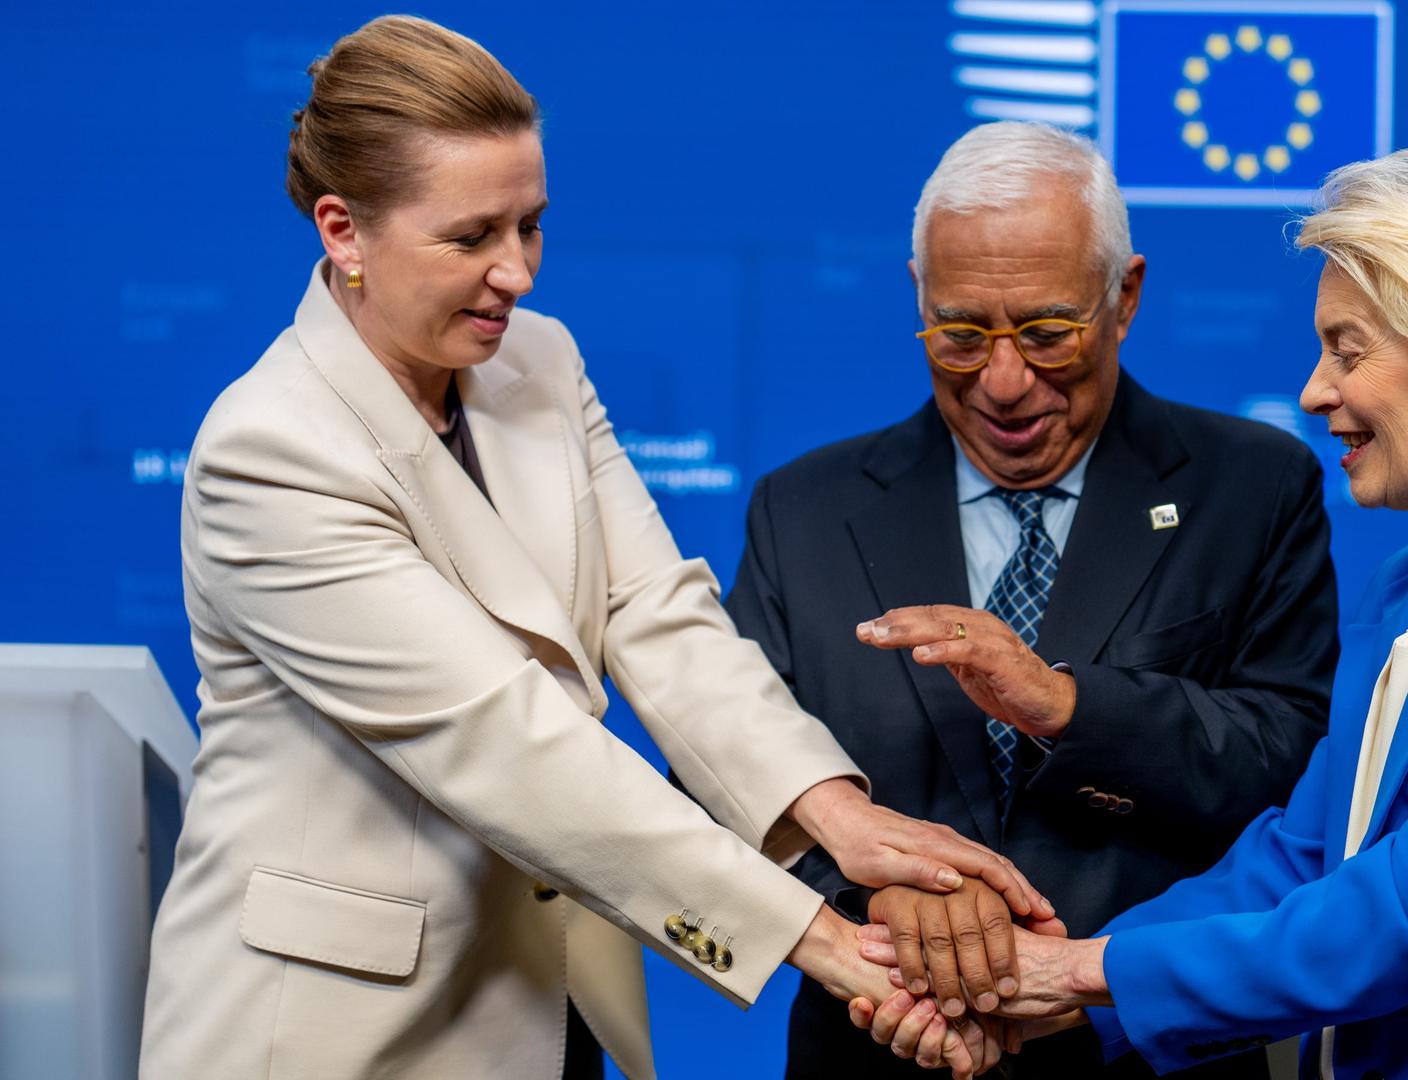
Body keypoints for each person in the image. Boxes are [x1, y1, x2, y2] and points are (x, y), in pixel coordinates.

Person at [139, 17, 1040, 1080]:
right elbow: (510, 747)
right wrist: (828, 944)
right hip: (336, 1032)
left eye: (532, 226)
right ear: (343, 231)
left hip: (548, 994)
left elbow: (658, 616)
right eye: (471, 237)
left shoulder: (540, 362)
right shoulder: (272, 450)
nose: (515, 273)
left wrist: (839, 818)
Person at [857, 147, 1408, 1078]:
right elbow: (1295, 860)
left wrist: (1069, 972)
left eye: (1348, 351)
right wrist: (1038, 998)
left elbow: (1396, 918)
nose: (1315, 393)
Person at [726, 120, 1339, 1078]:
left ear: (1125, 296)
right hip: (878, 1049)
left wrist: (1065, 705)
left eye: (1049, 333)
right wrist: (878, 898)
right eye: (962, 334)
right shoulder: (804, 510)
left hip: (1147, 1053)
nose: (1005, 384)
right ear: (918, 299)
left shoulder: (1253, 488)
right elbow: (725, 779)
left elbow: (1290, 773)